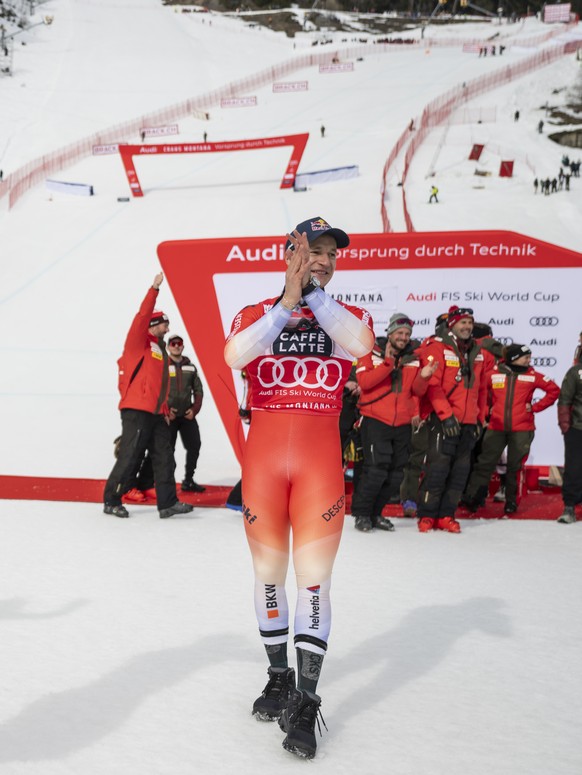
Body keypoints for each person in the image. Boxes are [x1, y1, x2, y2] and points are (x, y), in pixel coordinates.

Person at [224, 217, 374, 759]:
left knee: (314, 582)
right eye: (314, 250)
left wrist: (310, 295)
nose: (325, 259)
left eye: (332, 254)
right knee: (268, 576)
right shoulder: (254, 314)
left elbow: (358, 345)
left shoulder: (347, 317)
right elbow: (235, 356)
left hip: (319, 468)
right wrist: (288, 301)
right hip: (264, 465)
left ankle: (306, 703)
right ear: (290, 251)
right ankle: (278, 676)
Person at [103, 274, 194, 520]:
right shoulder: (138, 342)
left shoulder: (160, 350)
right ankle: (112, 499)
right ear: (153, 324)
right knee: (131, 454)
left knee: (164, 456)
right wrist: (154, 289)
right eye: (164, 323)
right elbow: (142, 316)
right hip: (137, 409)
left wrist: (164, 408)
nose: (168, 327)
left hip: (156, 412)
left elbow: (160, 384)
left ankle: (168, 504)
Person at [351, 314, 436, 533]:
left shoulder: (414, 358)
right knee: (375, 470)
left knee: (395, 474)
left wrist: (424, 377)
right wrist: (388, 363)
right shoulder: (370, 353)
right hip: (375, 421)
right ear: (390, 333)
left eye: (407, 334)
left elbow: (417, 391)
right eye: (400, 333)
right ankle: (362, 514)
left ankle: (376, 514)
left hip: (402, 424)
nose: (404, 337)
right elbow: (365, 382)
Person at [415, 306, 487, 533]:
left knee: (460, 473)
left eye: (470, 323)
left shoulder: (477, 350)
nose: (467, 327)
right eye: (462, 323)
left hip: (468, 422)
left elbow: (482, 388)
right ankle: (427, 515)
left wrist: (479, 418)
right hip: (443, 419)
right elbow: (432, 386)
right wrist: (446, 416)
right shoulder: (438, 346)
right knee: (438, 469)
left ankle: (447, 515)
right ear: (452, 324)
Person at [463, 344, 559, 514]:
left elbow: (554, 391)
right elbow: (478, 394)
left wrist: (535, 407)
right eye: (526, 357)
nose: (529, 360)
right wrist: (486, 411)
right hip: (496, 426)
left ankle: (511, 501)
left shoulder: (532, 375)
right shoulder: (493, 374)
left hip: (522, 428)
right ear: (514, 358)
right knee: (485, 463)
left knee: (514, 467)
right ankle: (473, 497)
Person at [167, 335, 206, 493]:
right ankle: (167, 483)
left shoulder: (190, 366)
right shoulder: (162, 365)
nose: (176, 346)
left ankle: (188, 480)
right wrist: (165, 410)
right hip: (169, 416)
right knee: (168, 450)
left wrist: (194, 409)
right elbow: (157, 389)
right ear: (168, 346)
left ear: (183, 346)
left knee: (195, 445)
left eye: (179, 344)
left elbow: (198, 390)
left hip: (187, 415)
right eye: (173, 344)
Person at [557, 333, 582, 524]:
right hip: (577, 428)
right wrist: (566, 426)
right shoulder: (575, 372)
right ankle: (569, 507)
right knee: (574, 468)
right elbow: (564, 400)